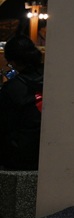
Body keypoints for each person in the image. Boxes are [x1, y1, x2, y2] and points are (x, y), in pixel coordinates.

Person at [0, 35, 43, 170]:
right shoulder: (51, 76)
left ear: (14, 61)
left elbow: (4, 124)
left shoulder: (13, 88)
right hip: (46, 149)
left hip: (21, 156)